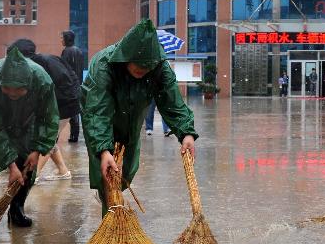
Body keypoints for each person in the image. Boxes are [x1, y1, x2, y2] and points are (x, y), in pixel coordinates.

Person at [81, 18, 198, 215]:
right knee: (107, 178)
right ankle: (110, 219)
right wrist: (103, 150)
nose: (143, 71)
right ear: (126, 56)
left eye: (147, 67)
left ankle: (112, 198)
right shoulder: (104, 65)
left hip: (132, 122)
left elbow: (172, 101)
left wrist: (186, 133)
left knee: (126, 172)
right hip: (103, 120)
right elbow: (97, 112)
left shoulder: (159, 67)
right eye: (138, 66)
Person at [0, 46, 59, 228]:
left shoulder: (42, 82)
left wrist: (37, 150)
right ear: (0, 83)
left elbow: (49, 118)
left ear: (28, 85)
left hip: (26, 119)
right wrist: (10, 165)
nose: (12, 93)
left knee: (26, 163)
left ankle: (17, 208)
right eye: (7, 88)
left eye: (18, 90)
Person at [11, 39, 81, 180]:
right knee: (50, 138)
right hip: (59, 103)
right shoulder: (35, 64)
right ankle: (62, 170)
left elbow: (64, 87)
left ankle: (33, 175)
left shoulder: (44, 63)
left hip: (65, 104)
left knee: (46, 139)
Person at [61, 30, 86, 142]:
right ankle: (75, 134)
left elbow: (64, 70)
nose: (61, 40)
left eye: (62, 38)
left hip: (69, 85)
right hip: (78, 84)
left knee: (72, 111)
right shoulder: (79, 51)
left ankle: (73, 135)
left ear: (66, 39)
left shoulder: (66, 51)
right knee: (76, 109)